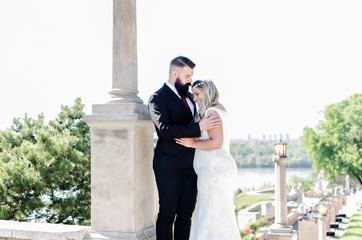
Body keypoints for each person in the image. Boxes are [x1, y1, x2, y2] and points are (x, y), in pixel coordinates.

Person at [148, 56, 220, 240]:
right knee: (166, 216)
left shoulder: (190, 97)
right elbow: (164, 130)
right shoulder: (157, 98)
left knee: (186, 216)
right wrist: (199, 128)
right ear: (175, 73)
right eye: (187, 76)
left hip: (192, 166)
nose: (190, 80)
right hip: (168, 167)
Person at [175, 80, 241, 240]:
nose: (195, 98)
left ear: (208, 92)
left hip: (213, 172)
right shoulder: (222, 110)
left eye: (197, 94)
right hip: (219, 169)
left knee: (210, 213)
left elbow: (217, 142)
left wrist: (192, 143)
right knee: (219, 212)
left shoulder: (212, 112)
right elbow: (226, 142)